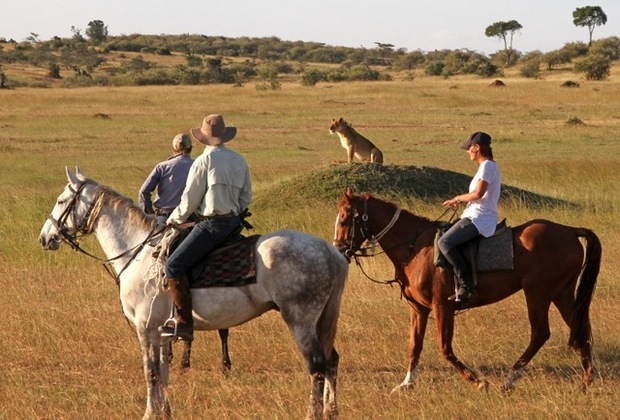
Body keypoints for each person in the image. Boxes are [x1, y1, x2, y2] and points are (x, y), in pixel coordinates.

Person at [159, 114, 253, 341]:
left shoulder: (203, 162)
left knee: (173, 265)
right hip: (233, 224)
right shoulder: (239, 160)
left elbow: (190, 200)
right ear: (225, 136)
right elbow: (246, 196)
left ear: (202, 138)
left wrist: (173, 219)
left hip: (211, 225)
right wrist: (234, 211)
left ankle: (183, 323)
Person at [438, 131, 501, 302]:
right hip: (474, 215)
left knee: (444, 242)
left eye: (469, 148)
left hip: (480, 218)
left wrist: (457, 198)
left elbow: (478, 194)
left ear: (477, 147)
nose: (467, 151)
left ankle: (467, 286)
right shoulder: (485, 167)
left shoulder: (488, 166)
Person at [139, 133, 194, 224]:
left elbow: (144, 191)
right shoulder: (197, 166)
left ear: (173, 148)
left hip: (165, 216)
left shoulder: (162, 166)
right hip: (189, 216)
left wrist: (150, 213)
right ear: (191, 148)